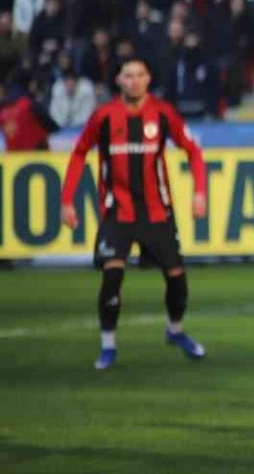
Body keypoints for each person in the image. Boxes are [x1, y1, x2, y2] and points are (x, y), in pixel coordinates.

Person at [59, 57, 209, 371]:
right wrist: (67, 200)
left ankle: (175, 331)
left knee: (177, 279)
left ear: (148, 79)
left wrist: (200, 192)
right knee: (112, 275)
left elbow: (193, 151)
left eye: (140, 75)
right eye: (128, 75)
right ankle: (108, 346)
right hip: (117, 213)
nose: (135, 81)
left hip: (157, 212)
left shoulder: (163, 113)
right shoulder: (104, 116)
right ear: (119, 80)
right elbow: (79, 153)